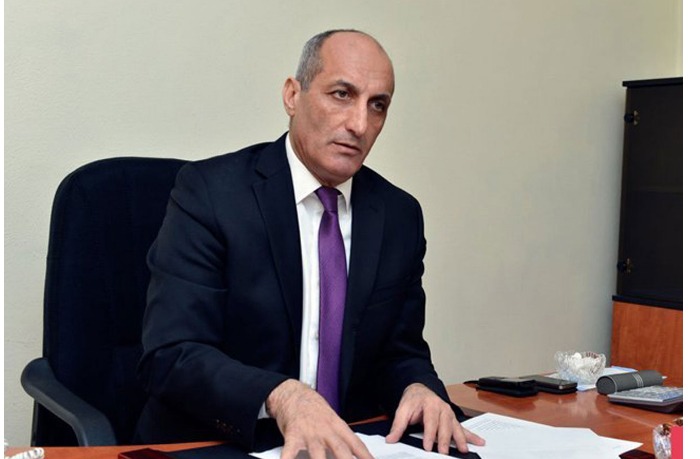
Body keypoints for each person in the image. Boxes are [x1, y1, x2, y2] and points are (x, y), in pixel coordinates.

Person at [135, 29, 484, 459]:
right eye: (342, 94)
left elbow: (400, 351)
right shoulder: (210, 194)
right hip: (224, 442)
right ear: (292, 95)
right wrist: (283, 396)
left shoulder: (399, 216)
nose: (359, 124)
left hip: (346, 445)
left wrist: (419, 387)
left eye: (378, 105)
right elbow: (172, 355)